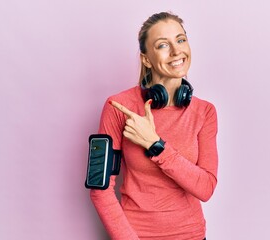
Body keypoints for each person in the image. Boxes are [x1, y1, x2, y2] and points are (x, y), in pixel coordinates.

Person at [90, 11, 218, 240]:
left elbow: (205, 188)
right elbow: (100, 190)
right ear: (146, 59)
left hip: (192, 235)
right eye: (162, 45)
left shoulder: (205, 112)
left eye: (180, 40)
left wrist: (155, 144)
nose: (177, 51)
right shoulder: (118, 106)